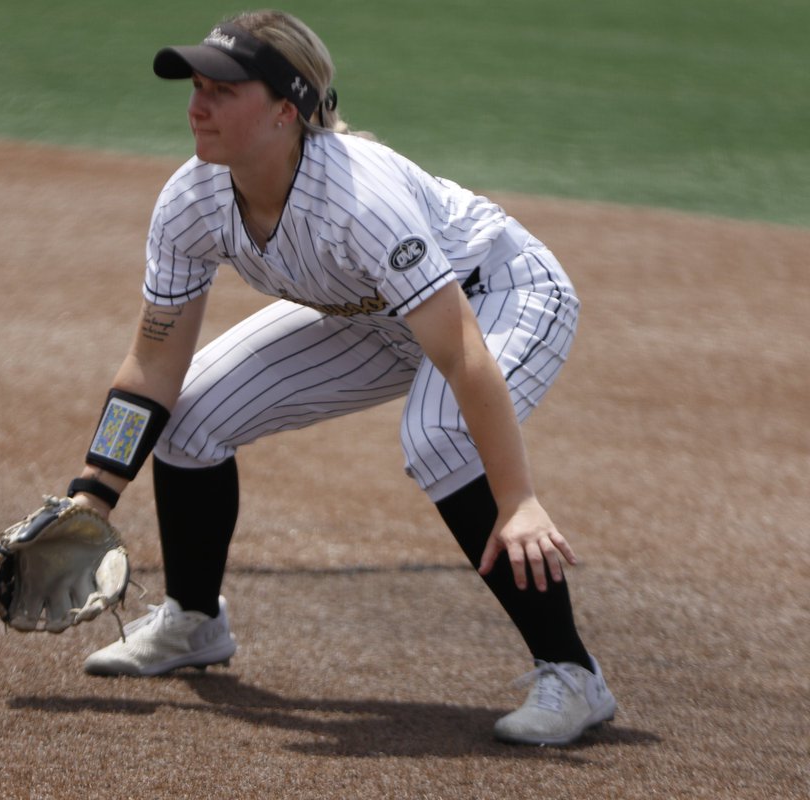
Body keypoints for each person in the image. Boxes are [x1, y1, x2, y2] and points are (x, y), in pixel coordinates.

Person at [59, 10, 616, 746]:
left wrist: (517, 501)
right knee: (189, 416)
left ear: (287, 110)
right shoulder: (192, 201)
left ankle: (572, 673)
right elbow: (155, 362)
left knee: (439, 436)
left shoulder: (359, 197)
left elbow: (462, 354)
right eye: (196, 86)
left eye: (223, 90)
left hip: (499, 295)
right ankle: (194, 621)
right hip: (375, 313)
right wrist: (92, 495)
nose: (198, 106)